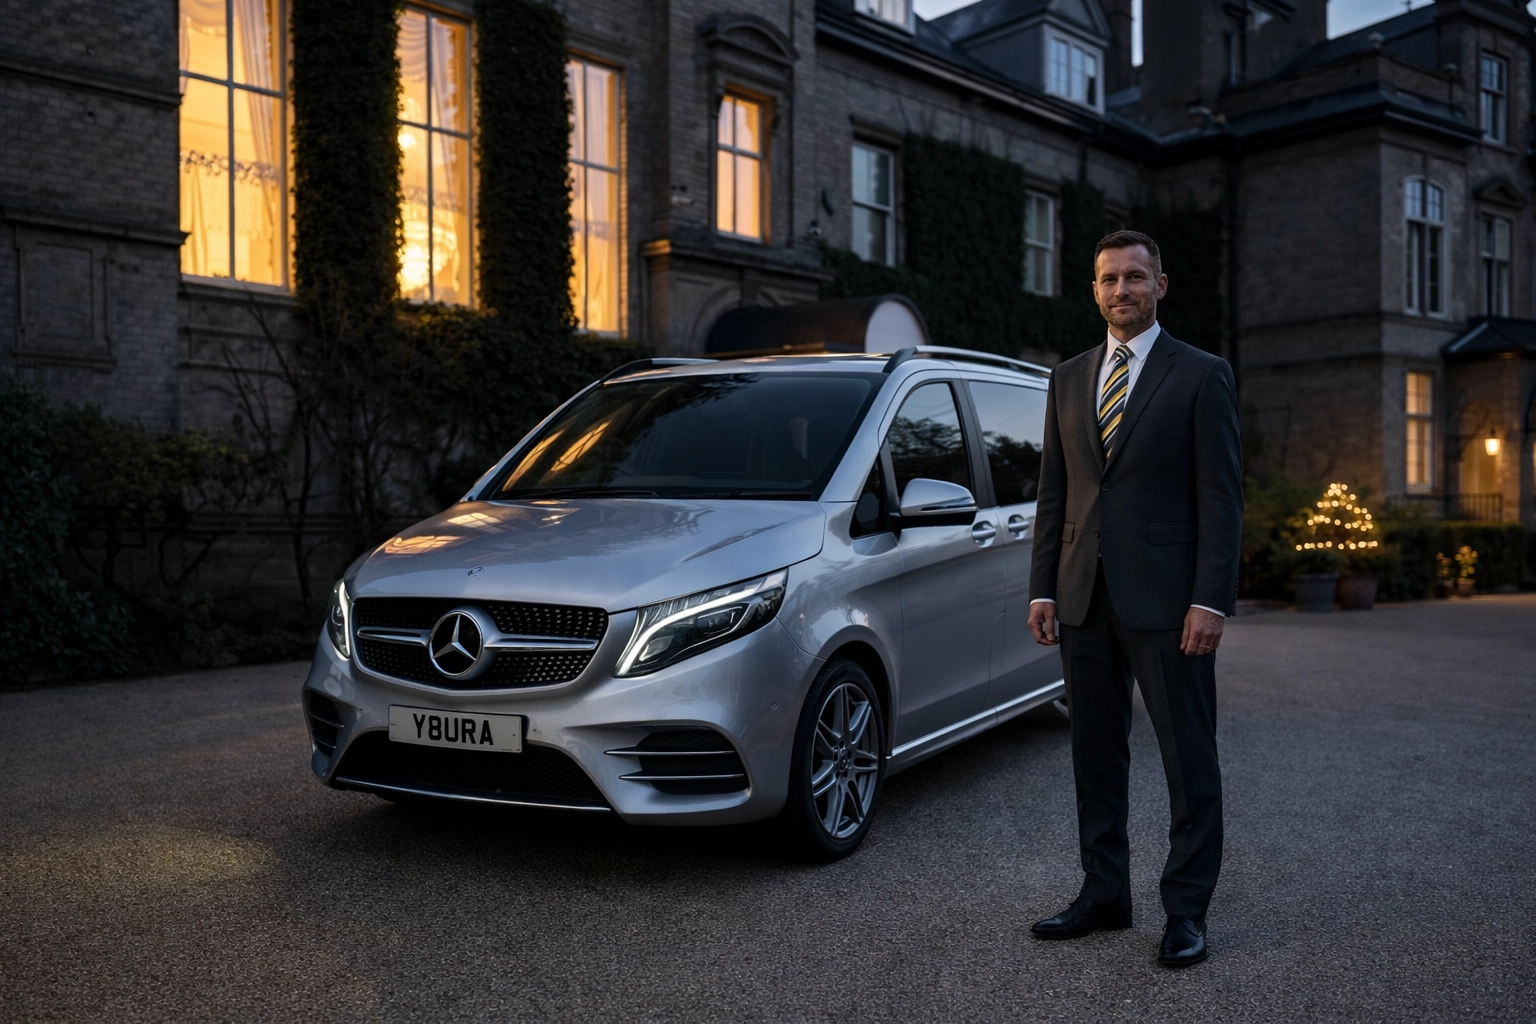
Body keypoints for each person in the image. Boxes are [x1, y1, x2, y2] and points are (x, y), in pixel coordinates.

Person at [1025, 230, 1242, 968]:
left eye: (1135, 278)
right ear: (1094, 289)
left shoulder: (1202, 374)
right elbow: (1055, 495)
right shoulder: (1068, 377)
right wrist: (1043, 587)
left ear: (1161, 284)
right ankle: (1104, 895)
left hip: (1170, 604)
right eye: (1109, 278)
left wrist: (1210, 600)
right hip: (1083, 595)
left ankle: (1186, 913)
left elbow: (1221, 499)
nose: (1122, 290)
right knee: (1094, 755)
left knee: (1188, 759)